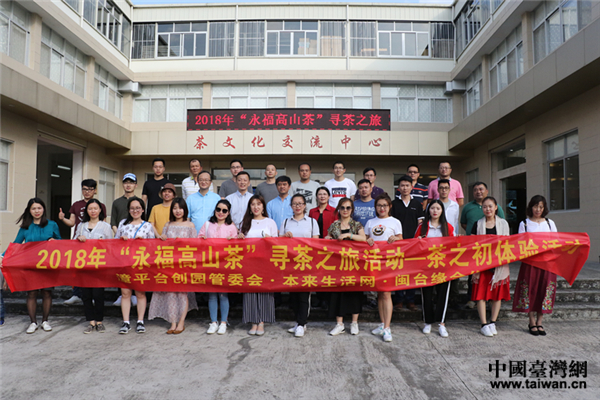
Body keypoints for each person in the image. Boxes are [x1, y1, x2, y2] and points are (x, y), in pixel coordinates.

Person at [3, 198, 60, 334]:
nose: (37, 211)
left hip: (47, 265)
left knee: (47, 293)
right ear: (29, 210)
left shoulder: (52, 224)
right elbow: (16, 244)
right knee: (31, 293)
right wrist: (2, 256)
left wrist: (55, 240)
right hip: (30, 264)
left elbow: (60, 241)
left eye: (39, 208)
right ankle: (33, 322)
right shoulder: (25, 227)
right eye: (33, 208)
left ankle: (45, 321)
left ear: (43, 209)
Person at [149, 198, 199, 334]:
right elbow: (163, 244)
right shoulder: (168, 225)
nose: (178, 211)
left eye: (180, 208)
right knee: (170, 293)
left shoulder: (190, 225)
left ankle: (181, 322)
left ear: (185, 210)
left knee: (182, 293)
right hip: (169, 264)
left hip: (184, 264)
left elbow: (195, 246)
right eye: (175, 208)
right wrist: (162, 239)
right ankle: (172, 323)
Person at [512, 195, 558, 336]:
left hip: (548, 263)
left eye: (541, 207)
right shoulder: (524, 224)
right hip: (530, 263)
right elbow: (520, 244)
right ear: (530, 207)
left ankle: (540, 322)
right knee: (530, 290)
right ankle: (531, 321)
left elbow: (556, 242)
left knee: (544, 290)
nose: (538, 209)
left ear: (544, 208)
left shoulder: (550, 223)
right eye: (535, 206)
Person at [58, 178, 107, 305]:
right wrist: (63, 219)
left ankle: (94, 294)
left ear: (95, 191)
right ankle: (76, 294)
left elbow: (103, 223)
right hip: (80, 241)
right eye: (84, 189)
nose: (87, 192)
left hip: (95, 245)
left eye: (90, 189)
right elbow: (72, 222)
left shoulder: (100, 205)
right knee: (78, 268)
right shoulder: (76, 204)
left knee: (94, 269)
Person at [460, 182, 506, 309]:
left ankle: (491, 298)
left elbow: (501, 224)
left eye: (481, 189)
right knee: (473, 273)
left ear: (486, 191)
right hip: (474, 247)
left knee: (491, 274)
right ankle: (472, 298)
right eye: (475, 190)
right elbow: (464, 223)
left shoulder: (496, 207)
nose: (478, 191)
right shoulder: (467, 207)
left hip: (493, 250)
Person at [325, 198, 367, 336]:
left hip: (354, 265)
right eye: (342, 207)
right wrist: (328, 239)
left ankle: (354, 323)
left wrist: (349, 235)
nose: (345, 210)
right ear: (338, 209)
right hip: (338, 265)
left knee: (355, 293)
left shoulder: (357, 225)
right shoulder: (334, 225)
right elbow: (327, 239)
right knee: (338, 293)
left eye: (348, 208)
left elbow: (363, 238)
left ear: (352, 210)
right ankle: (340, 324)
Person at [280, 194, 320, 338]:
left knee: (304, 295)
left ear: (305, 205)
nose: (297, 206)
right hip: (290, 263)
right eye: (294, 204)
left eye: (300, 203)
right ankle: (298, 322)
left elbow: (316, 242)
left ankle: (302, 323)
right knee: (293, 295)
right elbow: (279, 242)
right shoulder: (286, 222)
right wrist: (284, 237)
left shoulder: (311, 222)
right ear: (291, 206)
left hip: (306, 263)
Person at [238, 195, 278, 336]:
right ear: (250, 207)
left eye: (259, 204)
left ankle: (261, 322)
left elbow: (277, 243)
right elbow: (239, 245)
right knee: (250, 291)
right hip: (249, 262)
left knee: (264, 291)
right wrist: (239, 238)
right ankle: (253, 321)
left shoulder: (270, 222)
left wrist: (269, 239)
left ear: (263, 206)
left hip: (265, 263)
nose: (256, 207)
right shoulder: (245, 223)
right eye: (253, 204)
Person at [470, 196, 510, 337]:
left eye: (490, 206)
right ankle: (484, 324)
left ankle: (492, 322)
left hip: (499, 265)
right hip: (482, 265)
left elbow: (507, 244)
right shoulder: (477, 224)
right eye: (485, 206)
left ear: (496, 207)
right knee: (480, 295)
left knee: (496, 296)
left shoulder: (503, 223)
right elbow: (472, 246)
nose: (488, 209)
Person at [365, 194, 403, 342]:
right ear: (375, 207)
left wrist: (396, 239)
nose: (382, 208)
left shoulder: (395, 222)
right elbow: (364, 240)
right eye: (379, 205)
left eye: (384, 205)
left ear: (389, 207)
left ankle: (387, 327)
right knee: (380, 293)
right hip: (374, 262)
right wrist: (367, 240)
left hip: (389, 262)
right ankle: (382, 324)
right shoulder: (370, 222)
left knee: (387, 293)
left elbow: (401, 240)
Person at [415, 199, 455, 338]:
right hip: (426, 267)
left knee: (442, 295)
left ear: (442, 211)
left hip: (444, 267)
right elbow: (414, 245)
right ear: (428, 210)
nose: (435, 211)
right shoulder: (422, 227)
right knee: (426, 295)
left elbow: (453, 246)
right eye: (432, 208)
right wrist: (418, 241)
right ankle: (428, 322)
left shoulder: (448, 227)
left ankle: (441, 323)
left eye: (438, 208)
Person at [115, 198, 155, 334]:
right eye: (132, 208)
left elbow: (153, 246)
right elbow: (114, 243)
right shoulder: (122, 224)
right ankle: (126, 322)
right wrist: (122, 241)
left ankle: (140, 321)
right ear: (128, 210)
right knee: (125, 293)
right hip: (124, 263)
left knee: (140, 293)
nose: (135, 211)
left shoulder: (147, 226)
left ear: (143, 210)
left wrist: (143, 242)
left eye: (138, 208)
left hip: (140, 264)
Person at [199, 200, 238, 335]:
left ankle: (223, 322)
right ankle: (213, 322)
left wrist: (232, 241)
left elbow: (236, 246)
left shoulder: (231, 226)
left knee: (223, 294)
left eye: (224, 210)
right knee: (212, 294)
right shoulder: (207, 224)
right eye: (218, 209)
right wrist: (203, 239)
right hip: (210, 263)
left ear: (228, 213)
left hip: (224, 264)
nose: (221, 213)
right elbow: (199, 240)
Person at [74, 199, 113, 334]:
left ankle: (99, 321)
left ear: (100, 210)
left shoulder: (105, 226)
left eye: (95, 208)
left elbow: (111, 246)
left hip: (99, 266)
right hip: (84, 265)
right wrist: (79, 239)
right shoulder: (81, 226)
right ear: (87, 211)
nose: (93, 211)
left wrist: (103, 243)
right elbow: (73, 243)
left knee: (98, 294)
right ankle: (91, 321)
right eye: (90, 208)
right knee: (86, 295)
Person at [391, 175, 425, 311]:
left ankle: (410, 300)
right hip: (398, 243)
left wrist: (419, 238)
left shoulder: (417, 204)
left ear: (412, 187)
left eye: (407, 185)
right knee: (398, 271)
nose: (405, 188)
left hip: (413, 244)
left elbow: (420, 223)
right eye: (402, 185)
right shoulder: (394, 204)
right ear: (398, 188)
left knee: (412, 272)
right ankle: (399, 300)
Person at [308, 186, 337, 309]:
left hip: (329, 246)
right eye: (320, 194)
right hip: (315, 246)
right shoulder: (312, 211)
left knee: (327, 272)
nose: (322, 196)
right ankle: (319, 298)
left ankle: (326, 299)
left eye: (324, 194)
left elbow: (337, 227)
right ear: (316, 197)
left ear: (329, 196)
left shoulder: (334, 211)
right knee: (316, 271)